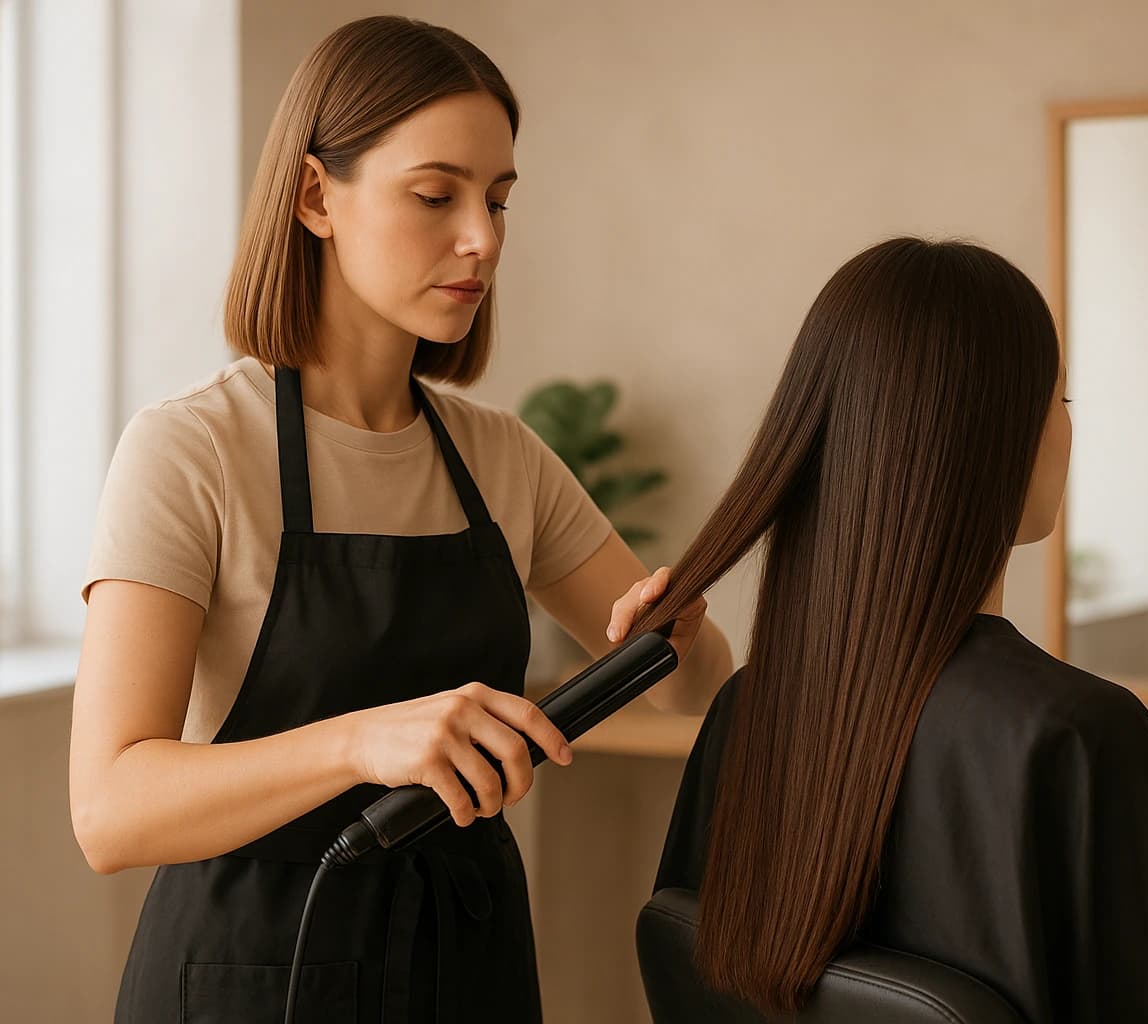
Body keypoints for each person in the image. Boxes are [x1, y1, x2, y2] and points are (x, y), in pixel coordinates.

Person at [68, 16, 732, 1023]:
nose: (484, 238)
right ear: (314, 195)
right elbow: (109, 810)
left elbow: (706, 691)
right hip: (251, 977)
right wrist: (365, 742)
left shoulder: (501, 458)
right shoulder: (192, 450)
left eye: (500, 200)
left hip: (466, 968)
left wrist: (680, 640)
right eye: (436, 195)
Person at [614, 237, 1148, 1022]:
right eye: (1062, 400)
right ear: (997, 439)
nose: (1067, 430)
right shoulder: (1072, 736)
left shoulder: (749, 712)